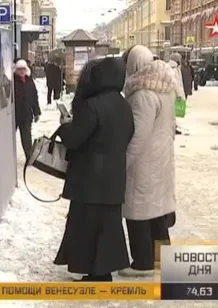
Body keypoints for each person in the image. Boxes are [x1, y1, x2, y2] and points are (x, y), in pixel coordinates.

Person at [54, 57, 134, 282]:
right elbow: (128, 135)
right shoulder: (123, 105)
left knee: (87, 226)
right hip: (114, 176)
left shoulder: (92, 105)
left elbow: (74, 139)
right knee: (108, 227)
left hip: (90, 177)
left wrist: (64, 126)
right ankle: (103, 271)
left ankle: (95, 273)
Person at [119, 45, 177, 277]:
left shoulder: (142, 94)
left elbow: (137, 136)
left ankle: (142, 263)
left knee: (138, 211)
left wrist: (123, 163)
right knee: (158, 211)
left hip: (143, 162)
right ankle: (161, 259)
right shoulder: (166, 88)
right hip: (162, 158)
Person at [13, 59, 40, 160]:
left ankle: (29, 157)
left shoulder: (29, 81)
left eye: (23, 69)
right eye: (19, 69)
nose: (21, 72)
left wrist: (37, 112)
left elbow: (34, 97)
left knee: (27, 138)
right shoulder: (12, 81)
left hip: (26, 115)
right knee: (9, 138)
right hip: (14, 115)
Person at [169, 53, 185, 135]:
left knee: (172, 112)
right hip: (173, 93)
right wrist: (179, 94)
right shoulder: (174, 69)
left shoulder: (172, 67)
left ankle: (173, 127)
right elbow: (176, 83)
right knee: (172, 112)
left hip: (172, 93)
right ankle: (173, 128)